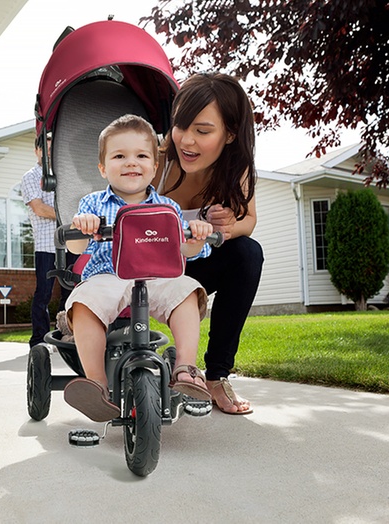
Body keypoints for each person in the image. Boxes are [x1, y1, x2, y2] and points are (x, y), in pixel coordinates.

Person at [62, 114, 214, 422]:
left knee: (187, 289)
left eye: (142, 155)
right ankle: (97, 385)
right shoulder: (92, 204)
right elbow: (76, 248)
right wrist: (83, 227)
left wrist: (195, 237)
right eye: (119, 156)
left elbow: (187, 250)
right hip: (108, 277)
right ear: (103, 168)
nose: (131, 163)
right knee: (84, 302)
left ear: (155, 167)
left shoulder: (167, 208)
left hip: (157, 277)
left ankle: (186, 367)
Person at [155, 72, 262, 415]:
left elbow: (249, 220)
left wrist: (229, 228)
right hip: (144, 267)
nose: (186, 140)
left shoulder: (236, 169)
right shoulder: (155, 159)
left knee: (248, 253)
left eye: (202, 131)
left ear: (229, 134)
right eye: (181, 126)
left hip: (193, 265)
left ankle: (216, 375)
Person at [21, 134, 63, 349]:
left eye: (52, 150)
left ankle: (65, 337)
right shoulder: (31, 176)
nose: (48, 154)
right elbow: (39, 208)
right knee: (43, 294)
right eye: (45, 150)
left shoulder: (62, 175)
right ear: (37, 151)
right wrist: (67, 214)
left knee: (72, 292)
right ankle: (39, 340)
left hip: (68, 243)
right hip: (46, 246)